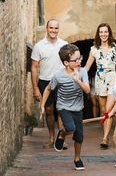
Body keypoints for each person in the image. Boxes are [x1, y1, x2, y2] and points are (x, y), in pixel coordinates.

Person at [40, 44, 90, 171]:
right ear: (66, 63)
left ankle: (77, 159)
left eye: (80, 58)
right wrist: (42, 105)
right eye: (76, 60)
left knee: (79, 137)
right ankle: (62, 134)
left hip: (78, 108)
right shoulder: (58, 76)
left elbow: (88, 91)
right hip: (64, 107)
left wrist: (78, 80)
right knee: (70, 128)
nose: (79, 61)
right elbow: (48, 89)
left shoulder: (82, 72)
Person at [31, 19, 68, 148]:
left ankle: (61, 138)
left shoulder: (64, 45)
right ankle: (51, 137)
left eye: (56, 28)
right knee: (48, 110)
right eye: (51, 28)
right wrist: (35, 88)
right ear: (47, 28)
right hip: (45, 82)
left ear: (58, 29)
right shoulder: (39, 46)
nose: (53, 30)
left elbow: (70, 64)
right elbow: (34, 67)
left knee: (62, 110)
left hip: (61, 81)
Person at [85, 23, 116, 148]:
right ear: (98, 34)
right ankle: (105, 132)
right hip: (100, 80)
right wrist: (76, 73)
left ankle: (105, 138)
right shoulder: (94, 49)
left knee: (108, 110)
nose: (104, 34)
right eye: (101, 32)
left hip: (113, 79)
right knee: (103, 110)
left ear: (109, 33)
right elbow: (87, 66)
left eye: (106, 32)